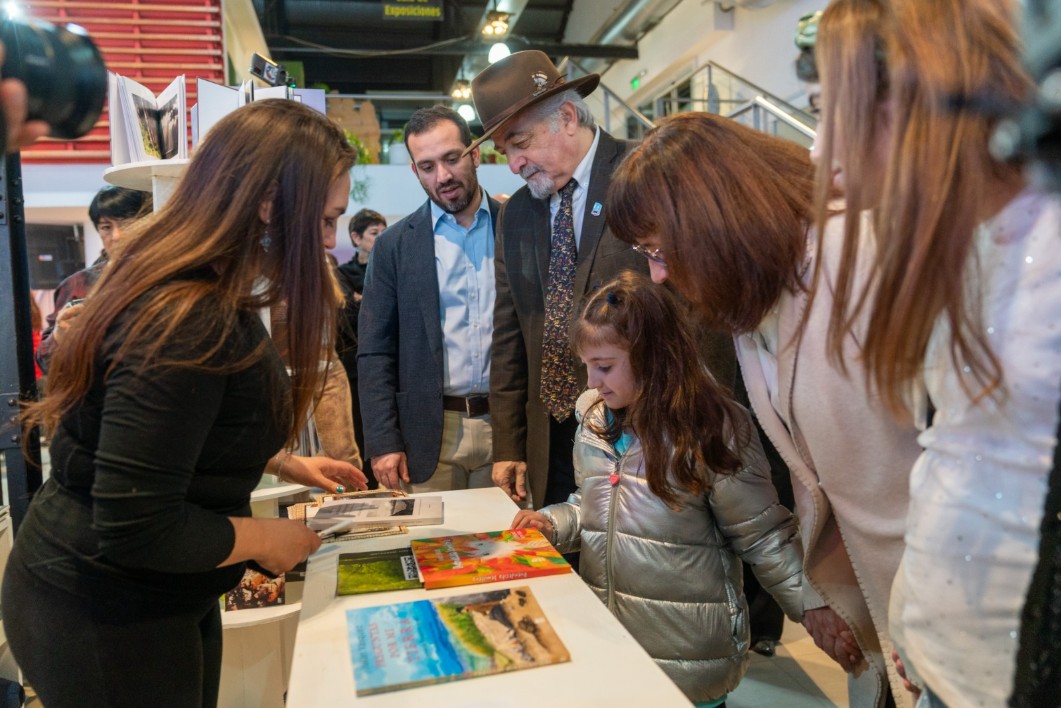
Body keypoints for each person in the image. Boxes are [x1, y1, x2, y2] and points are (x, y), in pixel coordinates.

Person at [3, 99, 367, 706]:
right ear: (270, 205)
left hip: (163, 592)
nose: (330, 242)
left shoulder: (210, 290)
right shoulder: (187, 316)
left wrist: (282, 463)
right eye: (325, 220)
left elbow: (182, 425)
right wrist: (260, 538)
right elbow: (133, 523)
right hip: (103, 606)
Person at [606, 111, 921, 708]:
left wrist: (927, 608)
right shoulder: (754, 300)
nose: (658, 273)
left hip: (942, 598)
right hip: (877, 608)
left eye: (658, 248)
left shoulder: (861, 263)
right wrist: (822, 595)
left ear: (711, 219)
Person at [817, 0, 1061, 704]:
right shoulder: (965, 252)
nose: (818, 149)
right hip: (941, 666)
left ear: (909, 107)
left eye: (839, 111)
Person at [512, 271, 804, 707]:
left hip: (688, 659)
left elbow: (764, 536)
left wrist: (818, 612)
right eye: (587, 366)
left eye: (605, 367)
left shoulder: (714, 428)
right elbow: (592, 505)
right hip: (613, 648)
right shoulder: (595, 418)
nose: (592, 381)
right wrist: (552, 523)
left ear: (653, 355)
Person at [467, 50, 647, 509]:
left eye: (520, 143)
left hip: (640, 427)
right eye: (505, 150)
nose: (513, 164)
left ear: (567, 116)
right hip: (552, 436)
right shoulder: (518, 214)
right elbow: (509, 332)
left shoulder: (641, 174)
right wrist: (509, 443)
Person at [358, 106, 500, 492]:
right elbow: (374, 351)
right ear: (414, 171)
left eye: (452, 159)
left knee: (509, 549)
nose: (444, 176)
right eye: (427, 166)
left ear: (475, 154)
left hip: (506, 430)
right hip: (427, 434)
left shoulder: (515, 227)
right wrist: (383, 441)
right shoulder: (394, 246)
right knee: (433, 550)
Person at [36, 185, 152, 372]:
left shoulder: (168, 275)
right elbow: (46, 363)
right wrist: (59, 335)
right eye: (106, 227)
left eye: (127, 224)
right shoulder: (77, 285)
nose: (117, 236)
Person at [335, 208, 387, 487]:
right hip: (353, 365)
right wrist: (364, 302)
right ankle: (363, 485)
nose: (380, 238)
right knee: (359, 428)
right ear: (356, 237)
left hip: (388, 360)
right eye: (373, 233)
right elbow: (348, 314)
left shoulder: (391, 267)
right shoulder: (343, 272)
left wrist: (361, 298)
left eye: (383, 232)